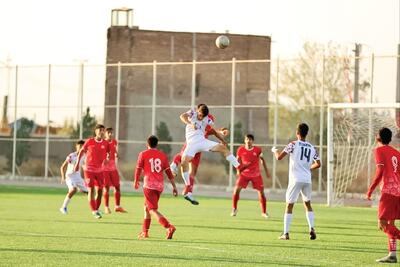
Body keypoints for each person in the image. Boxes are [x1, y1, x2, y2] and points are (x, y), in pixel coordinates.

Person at [179, 104, 240, 204]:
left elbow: (213, 129)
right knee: (183, 161)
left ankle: (239, 167)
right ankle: (186, 186)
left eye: (203, 116)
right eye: (200, 115)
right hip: (191, 143)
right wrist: (191, 123)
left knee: (223, 148)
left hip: (202, 141)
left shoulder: (207, 118)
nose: (201, 117)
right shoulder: (192, 112)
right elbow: (182, 116)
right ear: (197, 111)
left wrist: (221, 132)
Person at [271, 123, 321, 240]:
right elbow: (318, 164)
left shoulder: (293, 144)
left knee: (289, 205)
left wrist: (274, 151)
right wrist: (308, 168)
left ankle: (286, 233)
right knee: (307, 204)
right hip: (307, 180)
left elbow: (279, 157)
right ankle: (312, 228)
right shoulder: (312, 147)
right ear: (306, 134)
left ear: (297, 133)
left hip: (295, 179)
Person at [170, 123, 229, 205]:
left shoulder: (205, 123)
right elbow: (185, 117)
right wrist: (220, 133)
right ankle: (174, 165)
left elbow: (211, 131)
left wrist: (221, 132)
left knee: (193, 172)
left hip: (200, 147)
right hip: (192, 143)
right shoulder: (196, 119)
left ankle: (188, 193)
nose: (210, 121)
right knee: (184, 156)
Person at [134, 135, 178, 239]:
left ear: (147, 144)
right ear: (156, 144)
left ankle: (168, 227)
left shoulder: (143, 154)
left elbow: (138, 168)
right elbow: (168, 172)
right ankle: (145, 232)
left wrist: (136, 180)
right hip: (159, 186)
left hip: (149, 186)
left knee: (152, 210)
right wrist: (174, 186)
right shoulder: (162, 155)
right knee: (146, 208)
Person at [366, 127, 400, 263]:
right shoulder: (397, 153)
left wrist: (370, 189)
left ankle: (392, 255)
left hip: (388, 191)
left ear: (377, 137)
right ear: (390, 138)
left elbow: (380, 171)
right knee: (391, 222)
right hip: (398, 191)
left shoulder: (379, 150)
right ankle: (392, 255)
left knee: (383, 223)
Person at [74, 124, 110, 219]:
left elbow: (108, 154)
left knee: (100, 190)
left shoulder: (106, 143)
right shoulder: (90, 141)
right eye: (100, 130)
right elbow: (81, 151)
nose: (101, 132)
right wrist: (77, 164)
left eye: (103, 130)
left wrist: (107, 158)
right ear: (96, 131)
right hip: (89, 169)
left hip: (100, 170)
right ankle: (94, 211)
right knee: (91, 190)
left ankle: (96, 209)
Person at [232, 134, 271, 218]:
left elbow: (262, 160)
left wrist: (267, 171)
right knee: (236, 190)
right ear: (244, 140)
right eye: (247, 139)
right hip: (244, 174)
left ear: (252, 141)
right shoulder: (240, 149)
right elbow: (236, 161)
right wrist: (238, 170)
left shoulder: (258, 150)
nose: (248, 141)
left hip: (256, 174)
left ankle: (264, 212)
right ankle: (234, 209)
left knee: (261, 192)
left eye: (250, 139)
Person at [59, 140, 88, 214]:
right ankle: (63, 207)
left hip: (78, 177)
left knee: (89, 192)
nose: (81, 148)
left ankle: (95, 210)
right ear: (76, 147)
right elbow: (62, 166)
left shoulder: (84, 156)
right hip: (70, 176)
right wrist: (63, 177)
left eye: (83, 147)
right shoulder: (71, 156)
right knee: (73, 189)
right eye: (80, 146)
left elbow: (85, 166)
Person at [102, 127, 127, 214]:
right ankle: (106, 207)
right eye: (108, 132)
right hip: (104, 168)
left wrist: (116, 154)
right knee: (107, 187)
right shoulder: (103, 143)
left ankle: (117, 206)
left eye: (111, 132)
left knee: (117, 186)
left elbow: (114, 149)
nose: (110, 134)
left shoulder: (114, 141)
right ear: (105, 134)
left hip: (113, 167)